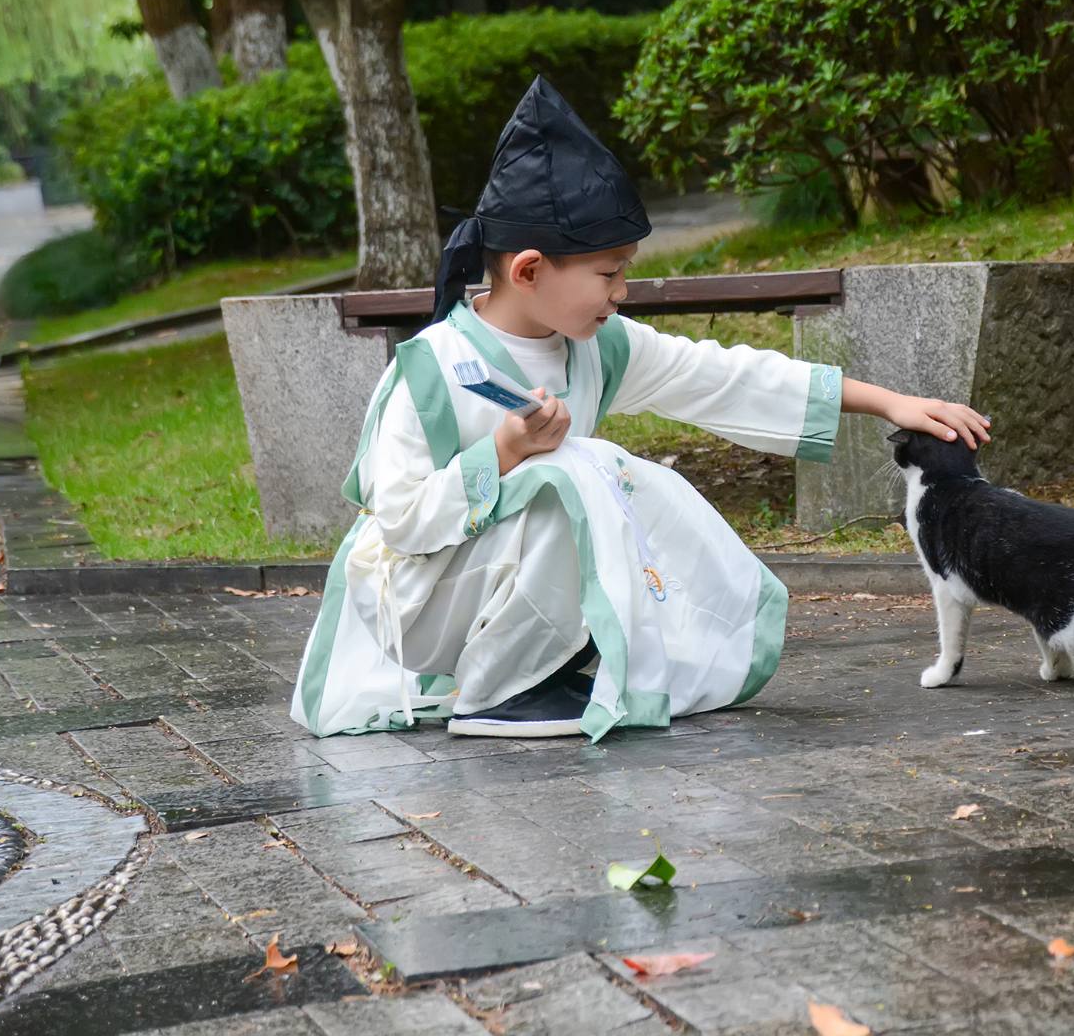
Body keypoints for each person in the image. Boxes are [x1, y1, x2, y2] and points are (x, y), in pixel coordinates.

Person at [290, 76, 989, 740]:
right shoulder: (431, 371)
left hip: (487, 584)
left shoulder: (597, 347)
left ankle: (537, 667)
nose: (623, 291)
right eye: (609, 273)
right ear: (529, 269)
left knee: (590, 475)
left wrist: (888, 402)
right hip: (416, 601)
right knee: (582, 466)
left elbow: (723, 377)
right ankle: (498, 692)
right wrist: (502, 453)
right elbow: (402, 523)